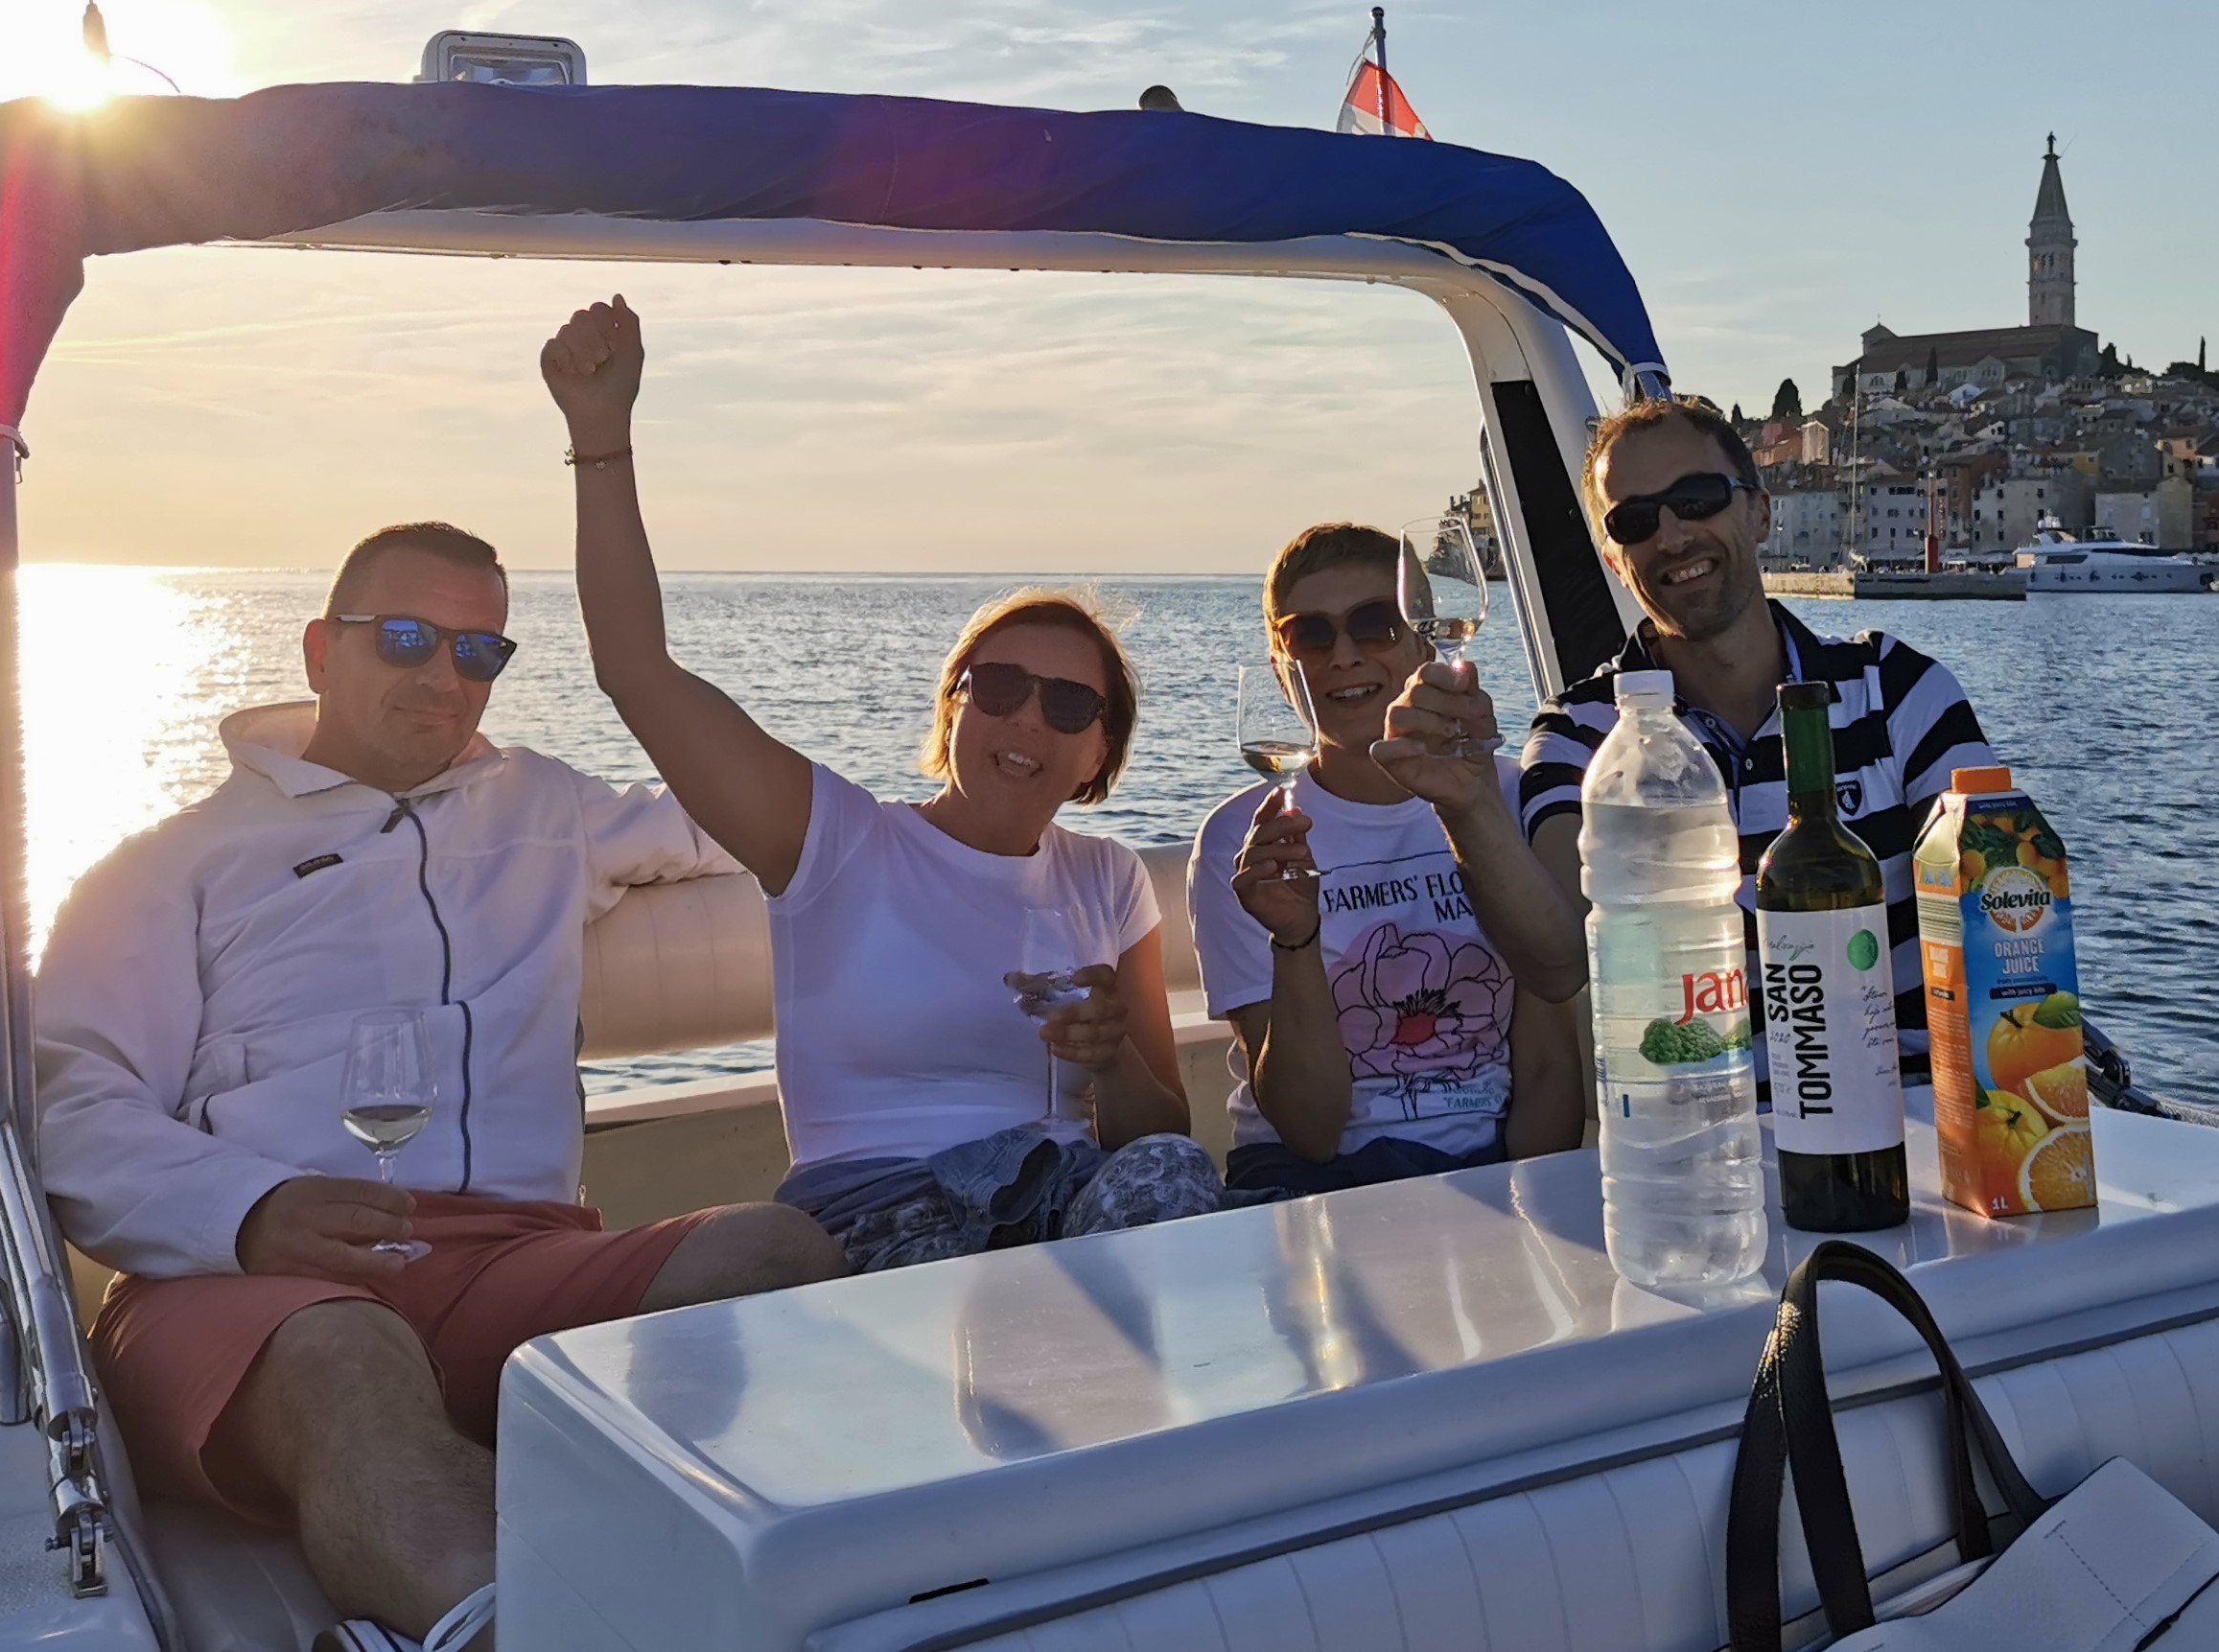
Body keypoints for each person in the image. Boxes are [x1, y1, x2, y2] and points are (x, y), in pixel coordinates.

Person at [36, 521, 842, 1652]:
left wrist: (965, 816)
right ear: (322, 650)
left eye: (479, 653)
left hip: (512, 1261)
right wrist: (250, 1210)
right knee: (349, 1357)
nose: (443, 677)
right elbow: (73, 1106)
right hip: (247, 1288)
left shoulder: (548, 810)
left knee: (778, 1256)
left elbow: (745, 820)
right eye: (407, 638)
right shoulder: (171, 864)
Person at [542, 294, 1224, 1274]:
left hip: (1059, 1202)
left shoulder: (1107, 881)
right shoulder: (838, 843)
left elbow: (1159, 1136)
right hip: (880, 1214)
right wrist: (599, 436)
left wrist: (1111, 1058)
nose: (1028, 717)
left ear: (1097, 756)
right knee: (977, 1283)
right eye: (1000, 687)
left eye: (1068, 707)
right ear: (954, 710)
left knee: (1174, 1178)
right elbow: (636, 670)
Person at [1518, 395, 1998, 1082]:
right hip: (1701, 1139)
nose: (1673, 535)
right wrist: (1468, 801)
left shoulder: (1898, 691)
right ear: (1615, 560)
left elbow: (1998, 914)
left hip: (1912, 1119)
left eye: (1697, 498)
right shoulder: (1580, 737)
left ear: (1759, 511)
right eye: (1634, 519)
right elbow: (1560, 951)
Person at [1190, 524, 1589, 1198]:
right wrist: (1295, 937)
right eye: (1309, 635)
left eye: (1375, 624)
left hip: (1489, 1166)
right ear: (1279, 667)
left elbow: (1548, 1068)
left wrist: (1524, 1211)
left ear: (1423, 643)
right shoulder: (1240, 840)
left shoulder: (1510, 798)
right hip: (1308, 1182)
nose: (1342, 654)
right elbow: (1310, 1132)